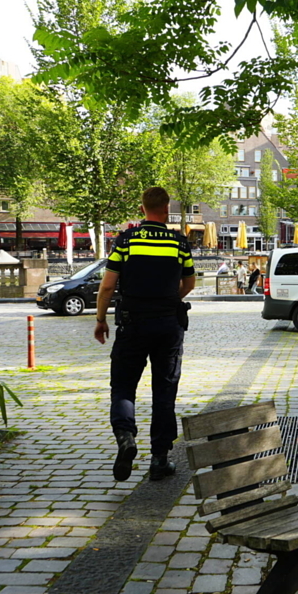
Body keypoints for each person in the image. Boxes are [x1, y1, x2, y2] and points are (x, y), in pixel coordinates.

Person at [94, 186, 197, 482]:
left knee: (124, 386)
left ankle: (126, 437)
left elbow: (107, 286)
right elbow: (189, 282)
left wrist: (101, 319)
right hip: (168, 324)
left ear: (142, 210)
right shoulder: (178, 242)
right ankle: (159, 460)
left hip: (132, 324)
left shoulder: (126, 240)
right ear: (167, 210)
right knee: (164, 392)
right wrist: (169, 300)